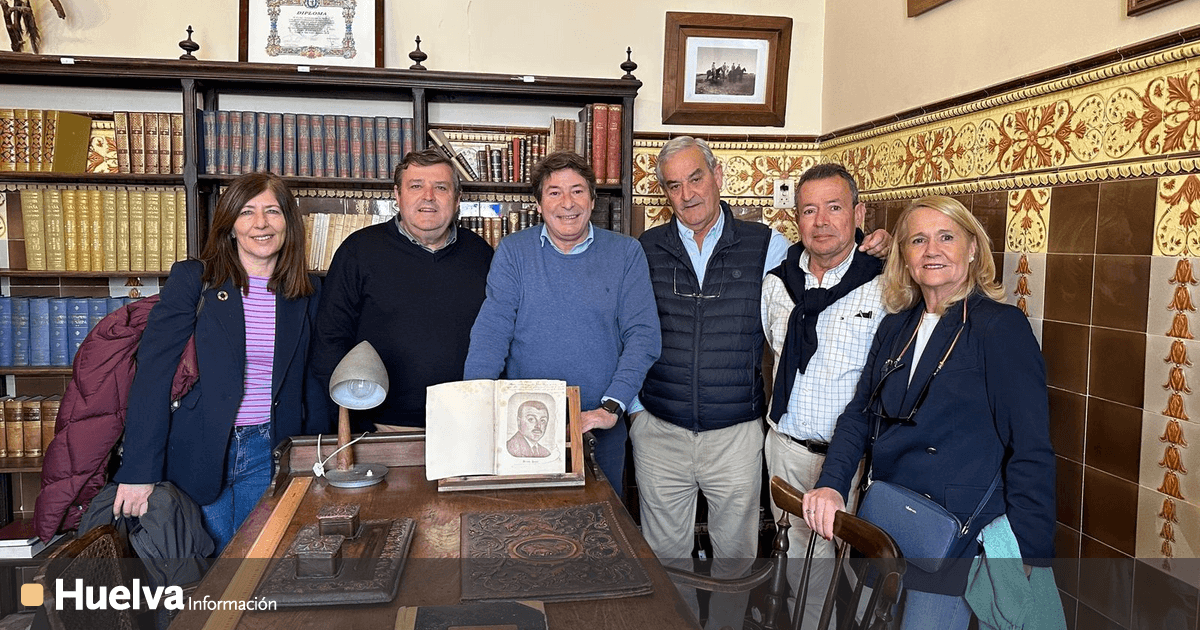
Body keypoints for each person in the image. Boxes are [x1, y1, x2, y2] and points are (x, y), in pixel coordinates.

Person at [632, 136, 888, 629]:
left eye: (696, 178)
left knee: (736, 558)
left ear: (718, 176)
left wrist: (876, 244)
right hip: (660, 430)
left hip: (738, 433)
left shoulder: (767, 245)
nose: (687, 194)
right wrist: (639, 411)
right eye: (673, 185)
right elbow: (629, 326)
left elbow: (830, 256)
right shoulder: (646, 248)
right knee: (665, 557)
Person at [803, 196, 1055, 629]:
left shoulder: (999, 328)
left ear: (972, 248)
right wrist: (831, 485)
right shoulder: (896, 325)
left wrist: (1026, 556)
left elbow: (1031, 448)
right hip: (887, 524)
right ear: (904, 255)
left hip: (952, 543)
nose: (931, 250)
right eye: (918, 240)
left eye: (946, 237)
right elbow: (860, 415)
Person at [112, 172, 329, 553]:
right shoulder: (194, 280)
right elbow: (154, 376)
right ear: (230, 226)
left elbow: (313, 382)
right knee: (194, 575)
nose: (260, 223)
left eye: (272, 211)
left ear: (288, 223)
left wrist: (320, 457)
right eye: (247, 212)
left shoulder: (308, 293)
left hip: (272, 454)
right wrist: (139, 471)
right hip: (196, 452)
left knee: (257, 570)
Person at [464, 151, 660, 497]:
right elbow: (493, 331)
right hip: (524, 428)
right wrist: (474, 402)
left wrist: (612, 407)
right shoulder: (513, 252)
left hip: (600, 426)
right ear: (539, 203)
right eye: (554, 192)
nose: (567, 203)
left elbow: (643, 336)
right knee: (528, 529)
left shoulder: (626, 253)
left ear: (593, 199)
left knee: (602, 533)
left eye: (578, 191)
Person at [761, 163, 884, 628]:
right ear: (797, 220)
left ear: (858, 212)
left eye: (834, 207)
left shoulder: (885, 283)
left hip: (849, 457)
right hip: (787, 448)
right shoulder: (778, 284)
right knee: (797, 561)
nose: (821, 221)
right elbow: (770, 353)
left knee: (838, 567)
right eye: (809, 210)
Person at [313, 149, 494, 430]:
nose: (428, 197)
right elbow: (329, 342)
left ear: (458, 200)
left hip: (466, 423)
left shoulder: (481, 254)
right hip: (381, 427)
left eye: (441, 187)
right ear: (397, 196)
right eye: (416, 186)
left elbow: (499, 337)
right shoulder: (358, 251)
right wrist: (352, 418)